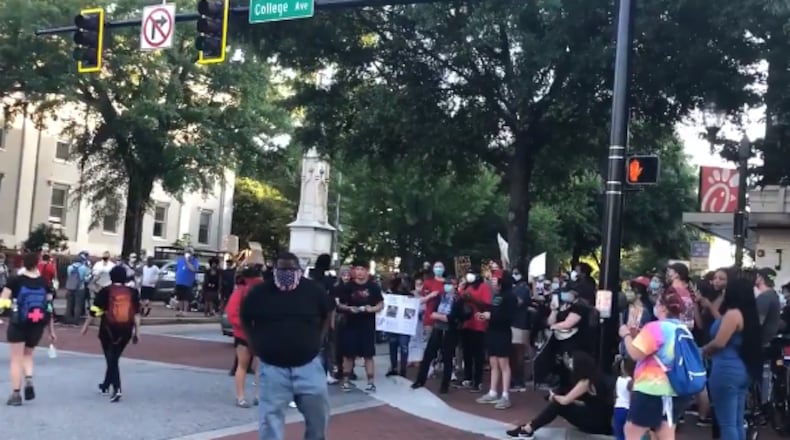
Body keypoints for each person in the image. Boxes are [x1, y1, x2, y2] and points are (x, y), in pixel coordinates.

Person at [240, 252, 332, 440]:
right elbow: (245, 318)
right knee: (270, 420)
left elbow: (327, 314)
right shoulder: (260, 293)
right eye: (282, 269)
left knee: (318, 418)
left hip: (309, 366)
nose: (287, 273)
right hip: (273, 368)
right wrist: (253, 345)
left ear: (299, 269)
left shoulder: (314, 291)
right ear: (274, 269)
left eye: (292, 269)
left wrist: (319, 341)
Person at [618, 288, 688, 440]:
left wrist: (626, 335)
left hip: (652, 389)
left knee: (632, 430)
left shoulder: (656, 327)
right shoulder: (682, 328)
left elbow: (635, 354)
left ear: (663, 307)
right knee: (665, 431)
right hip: (675, 388)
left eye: (657, 303)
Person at [703, 277, 762, 440]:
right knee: (736, 421)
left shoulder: (732, 314)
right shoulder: (749, 314)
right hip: (742, 369)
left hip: (725, 370)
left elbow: (720, 342)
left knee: (727, 424)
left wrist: (703, 350)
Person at [506, 351, 614, 438]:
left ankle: (528, 428)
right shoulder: (597, 377)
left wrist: (553, 397)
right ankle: (528, 426)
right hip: (601, 421)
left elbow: (565, 401)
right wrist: (571, 401)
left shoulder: (585, 382)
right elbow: (591, 404)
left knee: (558, 405)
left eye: (573, 363)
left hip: (597, 423)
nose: (571, 366)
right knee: (561, 404)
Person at [0, 252, 57, 405]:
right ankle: (29, 379)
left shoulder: (15, 280)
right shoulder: (44, 282)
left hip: (19, 322)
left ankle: (16, 394)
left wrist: (7, 307)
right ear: (37, 263)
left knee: (16, 359)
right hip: (37, 323)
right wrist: (51, 330)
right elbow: (49, 307)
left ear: (23, 263)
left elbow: (2, 301)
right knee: (28, 355)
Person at [80, 266, 141, 402]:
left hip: (108, 329)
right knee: (115, 357)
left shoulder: (106, 291)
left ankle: (117, 388)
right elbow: (136, 313)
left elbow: (94, 311)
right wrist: (137, 332)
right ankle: (106, 384)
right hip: (126, 329)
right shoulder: (133, 292)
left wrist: (85, 327)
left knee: (111, 359)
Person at [412, 277, 469, 393]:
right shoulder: (440, 297)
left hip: (450, 332)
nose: (448, 286)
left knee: (447, 358)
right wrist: (441, 317)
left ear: (455, 286)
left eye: (450, 284)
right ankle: (420, 380)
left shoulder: (458, 300)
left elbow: (452, 317)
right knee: (428, 355)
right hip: (437, 329)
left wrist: (442, 317)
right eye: (446, 284)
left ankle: (444, 385)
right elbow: (433, 312)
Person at [336, 260, 384, 392]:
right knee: (348, 355)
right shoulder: (348, 286)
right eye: (357, 269)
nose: (359, 272)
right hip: (350, 324)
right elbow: (339, 304)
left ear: (367, 271)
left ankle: (371, 382)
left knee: (368, 355)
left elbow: (380, 304)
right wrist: (350, 308)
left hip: (367, 325)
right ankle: (345, 381)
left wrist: (371, 309)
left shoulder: (373, 287)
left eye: (362, 269)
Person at [476, 272, 517, 409]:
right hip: (492, 332)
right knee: (493, 363)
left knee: (503, 364)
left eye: (495, 280)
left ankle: (505, 395)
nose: (493, 282)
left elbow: (508, 317)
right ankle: (492, 392)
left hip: (503, 333)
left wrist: (491, 315)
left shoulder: (510, 297)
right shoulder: (496, 296)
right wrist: (484, 315)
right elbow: (493, 311)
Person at [226, 266, 263, 407]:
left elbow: (231, 313)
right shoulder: (262, 291)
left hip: (243, 334)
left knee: (242, 366)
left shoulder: (240, 292)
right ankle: (259, 395)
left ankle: (240, 397)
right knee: (261, 366)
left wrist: (242, 325)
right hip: (258, 332)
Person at [459, 270, 492, 392]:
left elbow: (486, 306)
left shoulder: (483, 287)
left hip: (478, 325)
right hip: (466, 324)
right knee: (466, 352)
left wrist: (472, 299)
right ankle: (467, 377)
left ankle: (478, 381)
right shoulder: (467, 286)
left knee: (477, 354)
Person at [385, 275, 414, 378]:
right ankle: (394, 367)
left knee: (403, 346)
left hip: (404, 326)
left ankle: (402, 369)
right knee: (394, 345)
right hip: (394, 325)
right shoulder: (391, 294)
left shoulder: (410, 296)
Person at [510, 267, 531, 392]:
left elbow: (518, 302)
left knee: (518, 353)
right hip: (514, 322)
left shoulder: (523, 288)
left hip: (520, 323)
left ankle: (519, 381)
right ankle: (516, 379)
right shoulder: (515, 287)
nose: (514, 275)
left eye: (517, 273)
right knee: (514, 353)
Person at [64, 251, 91, 325]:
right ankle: (76, 320)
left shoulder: (69, 267)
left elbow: (69, 275)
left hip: (70, 287)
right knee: (78, 305)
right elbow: (86, 279)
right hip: (80, 288)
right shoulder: (83, 268)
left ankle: (68, 319)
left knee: (69, 304)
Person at [614, 357, 636, 440]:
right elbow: (632, 397)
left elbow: (615, 395)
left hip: (618, 407)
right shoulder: (631, 381)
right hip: (627, 409)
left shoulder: (618, 379)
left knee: (619, 433)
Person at [174, 247, 199, 317]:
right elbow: (177, 269)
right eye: (187, 252)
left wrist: (187, 261)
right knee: (180, 297)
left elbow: (194, 269)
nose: (188, 253)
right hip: (179, 282)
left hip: (187, 282)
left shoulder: (195, 261)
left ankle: (185, 311)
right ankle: (180, 310)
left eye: (189, 252)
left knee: (186, 298)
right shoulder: (180, 260)